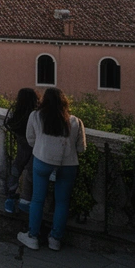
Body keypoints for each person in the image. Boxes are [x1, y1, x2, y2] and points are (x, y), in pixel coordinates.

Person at [18, 87, 86, 252]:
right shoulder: (75, 121)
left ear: (44, 102)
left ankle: (32, 237)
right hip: (68, 165)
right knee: (62, 203)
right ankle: (55, 240)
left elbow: (30, 139)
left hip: (42, 161)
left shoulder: (36, 116)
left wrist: (43, 148)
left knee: (37, 200)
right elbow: (81, 148)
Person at [2, 88, 40, 214]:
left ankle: (10, 197)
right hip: (34, 147)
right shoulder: (35, 114)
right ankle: (26, 201)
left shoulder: (17, 113)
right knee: (30, 170)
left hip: (22, 144)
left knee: (17, 166)